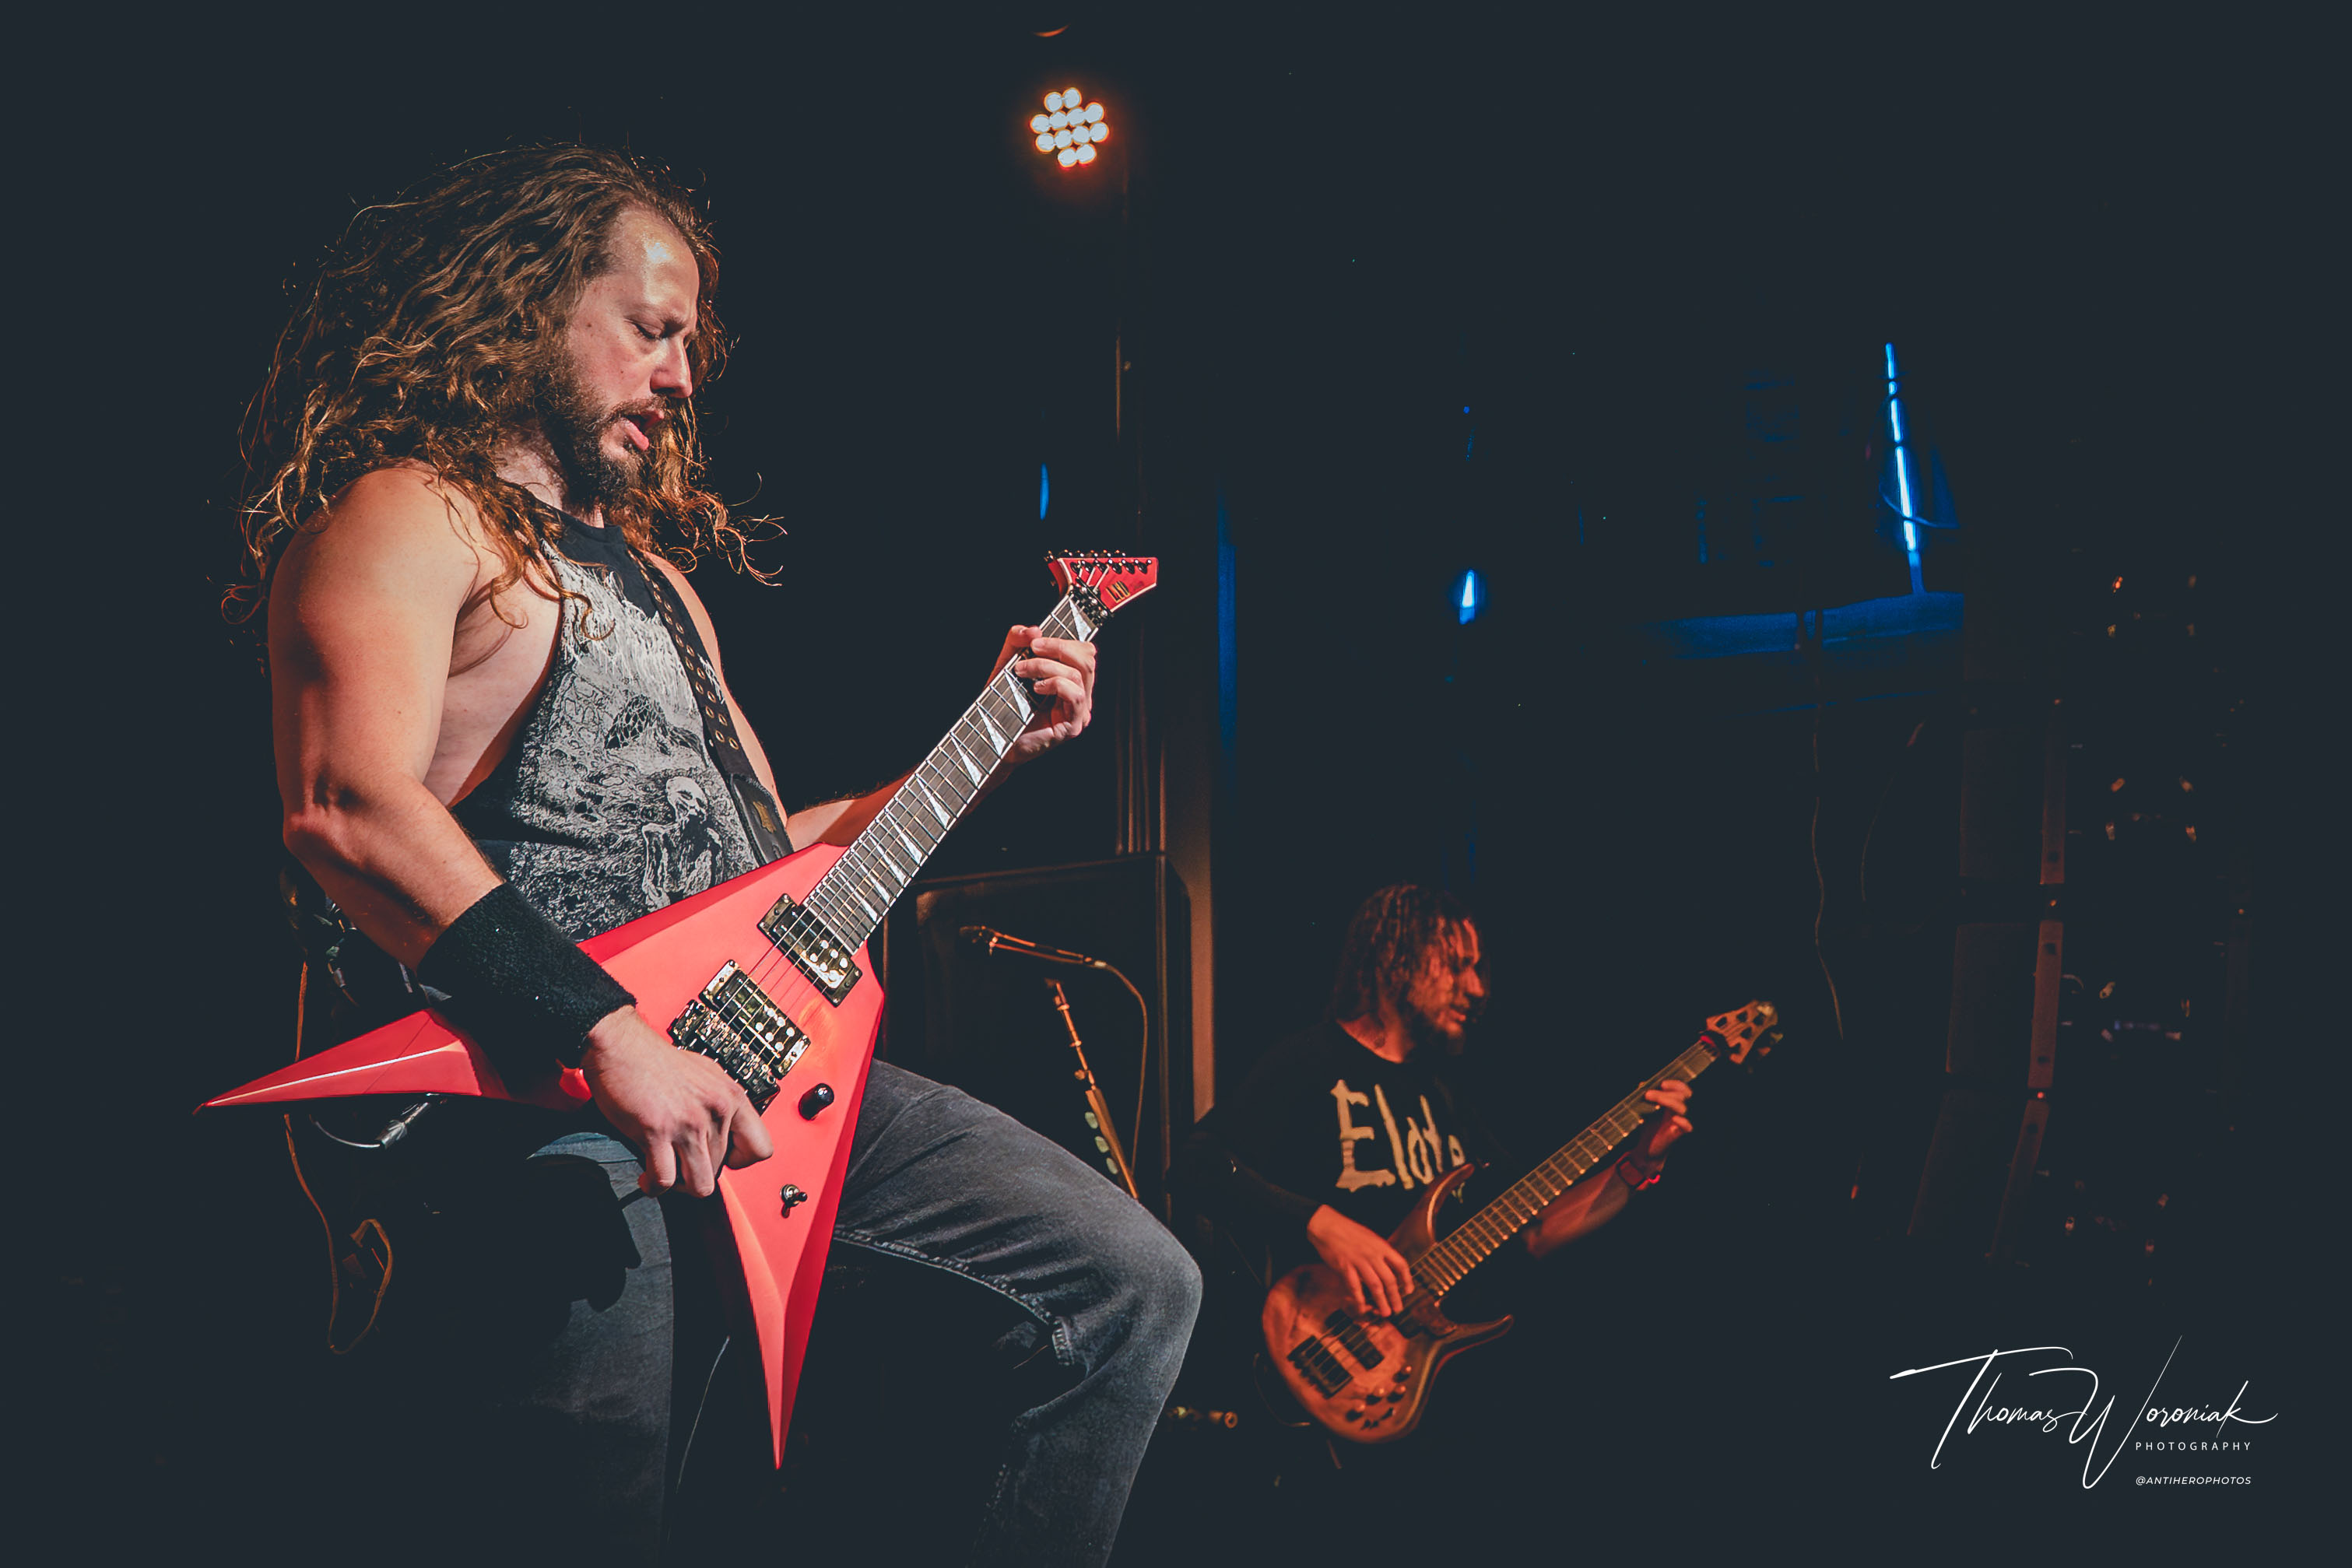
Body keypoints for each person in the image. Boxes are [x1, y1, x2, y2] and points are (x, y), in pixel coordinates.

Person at [240, 145, 1198, 1564]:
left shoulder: (666, 590)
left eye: (689, 342)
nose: (682, 376)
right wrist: (610, 1036)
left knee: (1125, 1282)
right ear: (527, 307)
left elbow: (765, 860)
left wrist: (988, 742)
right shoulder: (408, 514)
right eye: (652, 329)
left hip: (741, 1073)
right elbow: (345, 804)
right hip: (539, 1099)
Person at [1174, 881, 1690, 1335]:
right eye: (1456, 965)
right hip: (1323, 1341)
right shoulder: (1312, 1060)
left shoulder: (1445, 1095)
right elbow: (1196, 1165)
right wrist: (1322, 1224)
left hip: (1425, 1370)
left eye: (1477, 968)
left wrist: (1635, 1167)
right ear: (1394, 957)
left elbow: (1533, 1232)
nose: (1477, 988)